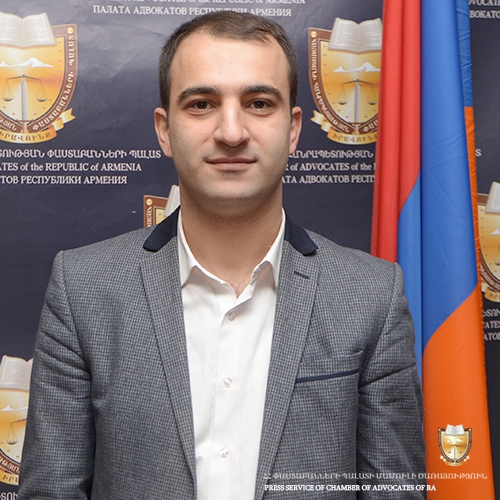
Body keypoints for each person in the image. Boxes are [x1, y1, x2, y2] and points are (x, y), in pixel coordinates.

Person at [18, 11, 426, 500]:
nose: (231, 132)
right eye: (201, 104)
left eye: (259, 103)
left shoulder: (371, 296)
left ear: (293, 129)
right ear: (165, 130)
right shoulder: (83, 289)